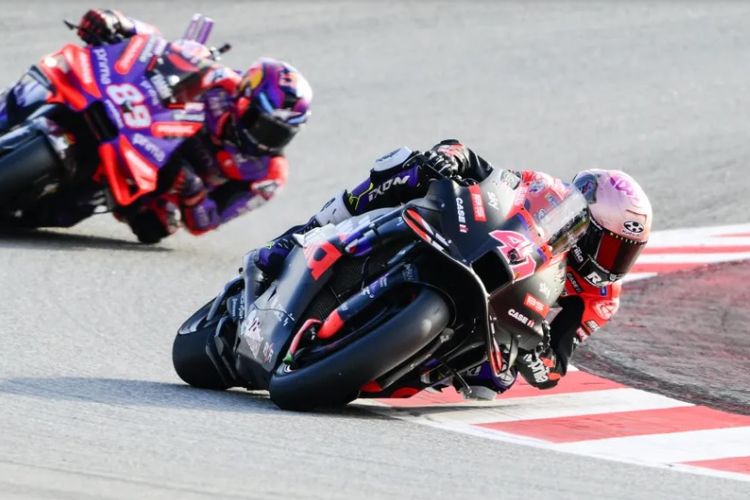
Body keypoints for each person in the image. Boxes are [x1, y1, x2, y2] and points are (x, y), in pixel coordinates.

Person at [254, 139, 653, 398]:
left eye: (625, 252)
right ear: (585, 224)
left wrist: (537, 359)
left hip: (508, 316)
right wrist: (451, 156)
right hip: (482, 249)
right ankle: (302, 233)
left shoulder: (601, 298)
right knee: (407, 166)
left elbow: (556, 366)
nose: (611, 260)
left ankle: (399, 359)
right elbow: (489, 173)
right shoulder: (545, 190)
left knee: (493, 384)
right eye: (608, 244)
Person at [0, 9, 313, 242]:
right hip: (134, 125)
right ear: (245, 100)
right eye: (264, 127)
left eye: (280, 135)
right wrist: (118, 23)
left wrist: (192, 192)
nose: (266, 141)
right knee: (54, 79)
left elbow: (206, 222)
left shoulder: (267, 175)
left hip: (157, 184)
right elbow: (165, 51)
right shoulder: (222, 84)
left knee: (152, 225)